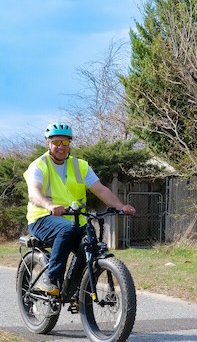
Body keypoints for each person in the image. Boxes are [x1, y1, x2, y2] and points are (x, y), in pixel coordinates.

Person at [24, 122, 136, 295]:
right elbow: (34, 193)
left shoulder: (80, 165)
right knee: (67, 230)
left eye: (65, 143)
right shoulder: (38, 165)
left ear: (70, 144)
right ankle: (51, 279)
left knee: (91, 245)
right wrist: (49, 205)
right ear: (48, 143)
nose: (61, 147)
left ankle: (78, 291)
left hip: (75, 220)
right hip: (42, 218)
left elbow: (100, 189)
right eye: (56, 142)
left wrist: (120, 207)